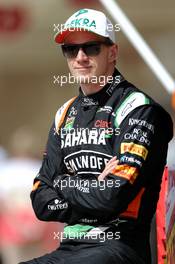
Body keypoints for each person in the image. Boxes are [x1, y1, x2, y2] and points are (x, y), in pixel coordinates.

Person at [19, 8, 173, 264]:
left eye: (91, 48)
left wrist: (63, 183)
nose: (80, 57)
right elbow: (40, 200)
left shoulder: (139, 108)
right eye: (71, 49)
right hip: (69, 248)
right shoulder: (65, 113)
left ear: (112, 52)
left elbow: (112, 195)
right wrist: (92, 186)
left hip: (118, 248)